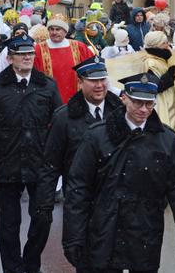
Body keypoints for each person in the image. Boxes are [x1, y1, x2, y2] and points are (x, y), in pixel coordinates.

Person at [63, 72, 175, 272]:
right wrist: (73, 238)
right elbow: (79, 188)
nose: (143, 110)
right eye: (137, 102)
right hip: (104, 229)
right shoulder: (97, 135)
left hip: (145, 231)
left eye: (149, 104)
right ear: (124, 98)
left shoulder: (165, 139)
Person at [0, 34, 63, 273]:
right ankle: (12, 268)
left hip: (40, 162)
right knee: (9, 223)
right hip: (7, 162)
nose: (27, 58)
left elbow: (61, 122)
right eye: (21, 55)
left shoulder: (46, 85)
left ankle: (31, 262)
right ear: (10, 58)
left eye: (30, 54)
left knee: (42, 218)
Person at [36, 56, 123, 250]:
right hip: (80, 199)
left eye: (103, 80)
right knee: (85, 257)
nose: (99, 85)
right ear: (80, 82)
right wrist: (44, 203)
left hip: (116, 200)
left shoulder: (120, 113)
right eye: (93, 81)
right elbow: (51, 164)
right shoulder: (63, 117)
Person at [33, 16, 93, 103]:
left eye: (58, 29)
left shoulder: (79, 47)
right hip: (48, 100)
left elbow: (93, 70)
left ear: (65, 31)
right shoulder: (39, 49)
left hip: (76, 98)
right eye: (51, 29)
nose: (54, 32)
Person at [143, 31, 175, 130]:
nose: (167, 45)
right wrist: (169, 75)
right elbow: (154, 86)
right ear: (156, 45)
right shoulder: (151, 62)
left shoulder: (162, 58)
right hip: (160, 104)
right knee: (164, 130)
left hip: (169, 100)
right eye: (164, 43)